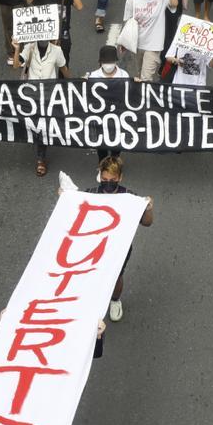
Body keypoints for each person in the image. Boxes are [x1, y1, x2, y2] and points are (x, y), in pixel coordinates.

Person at [89, 155, 154, 322]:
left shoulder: (129, 197)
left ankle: (115, 301)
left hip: (120, 247)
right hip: (93, 245)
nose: (108, 182)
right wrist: (65, 198)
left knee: (116, 275)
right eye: (104, 179)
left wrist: (147, 209)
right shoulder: (90, 194)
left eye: (113, 179)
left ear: (120, 178)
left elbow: (147, 223)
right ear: (99, 176)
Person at [12, 34, 71, 176]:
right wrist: (16, 48)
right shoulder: (29, 48)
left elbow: (64, 71)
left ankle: (40, 159)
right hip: (32, 96)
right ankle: (40, 153)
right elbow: (16, 65)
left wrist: (75, 85)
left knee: (43, 125)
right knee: (38, 125)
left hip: (49, 96)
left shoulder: (57, 51)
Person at [123, 0, 177, 82]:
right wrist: (124, 41)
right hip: (136, 44)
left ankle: (145, 95)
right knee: (139, 75)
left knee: (146, 78)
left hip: (154, 45)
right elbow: (127, 19)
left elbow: (174, 4)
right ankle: (140, 95)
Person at [87, 45, 129, 160]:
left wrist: (136, 83)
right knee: (102, 144)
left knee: (117, 143)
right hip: (100, 117)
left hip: (118, 116)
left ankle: (114, 163)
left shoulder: (124, 75)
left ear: (116, 61)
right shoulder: (93, 76)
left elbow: (129, 94)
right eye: (106, 61)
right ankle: (102, 165)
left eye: (110, 61)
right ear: (100, 62)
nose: (108, 64)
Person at [30, 0, 83, 64]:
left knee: (64, 60)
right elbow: (35, 8)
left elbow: (79, 6)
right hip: (46, 32)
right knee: (43, 60)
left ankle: (62, 75)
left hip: (62, 32)